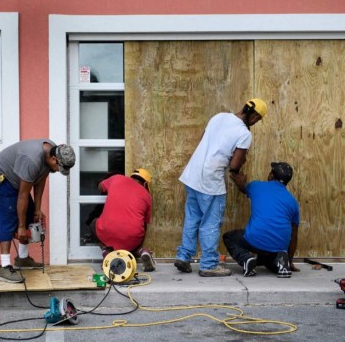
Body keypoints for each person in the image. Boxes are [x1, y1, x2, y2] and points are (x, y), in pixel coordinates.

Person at [175, 98, 267, 277]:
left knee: (192, 218)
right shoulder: (244, 134)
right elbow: (234, 165)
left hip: (192, 174)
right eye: (258, 119)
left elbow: (204, 142)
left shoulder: (219, 117)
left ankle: (184, 256)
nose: (256, 123)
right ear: (253, 115)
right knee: (210, 223)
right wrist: (241, 167)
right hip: (210, 180)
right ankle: (209, 264)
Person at [0, 139, 75, 283]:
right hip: (2, 179)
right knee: (7, 219)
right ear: (53, 159)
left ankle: (23, 259)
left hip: (18, 181)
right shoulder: (31, 159)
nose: (58, 171)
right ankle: (4, 267)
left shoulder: (50, 151)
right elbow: (23, 195)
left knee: (30, 213)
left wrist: (37, 209)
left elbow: (40, 181)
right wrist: (20, 227)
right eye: (60, 168)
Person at [223, 162, 300, 278]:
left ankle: (246, 259)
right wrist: (290, 260)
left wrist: (239, 181)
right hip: (279, 245)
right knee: (266, 258)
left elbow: (243, 188)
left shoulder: (256, 186)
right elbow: (294, 235)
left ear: (271, 176)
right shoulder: (293, 202)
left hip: (256, 240)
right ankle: (282, 262)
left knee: (229, 237)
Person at [89, 168, 156, 272]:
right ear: (145, 184)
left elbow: (100, 186)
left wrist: (106, 182)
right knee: (137, 230)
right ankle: (142, 251)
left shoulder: (117, 179)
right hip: (131, 237)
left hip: (107, 231)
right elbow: (144, 222)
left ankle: (107, 252)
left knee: (93, 224)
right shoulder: (147, 196)